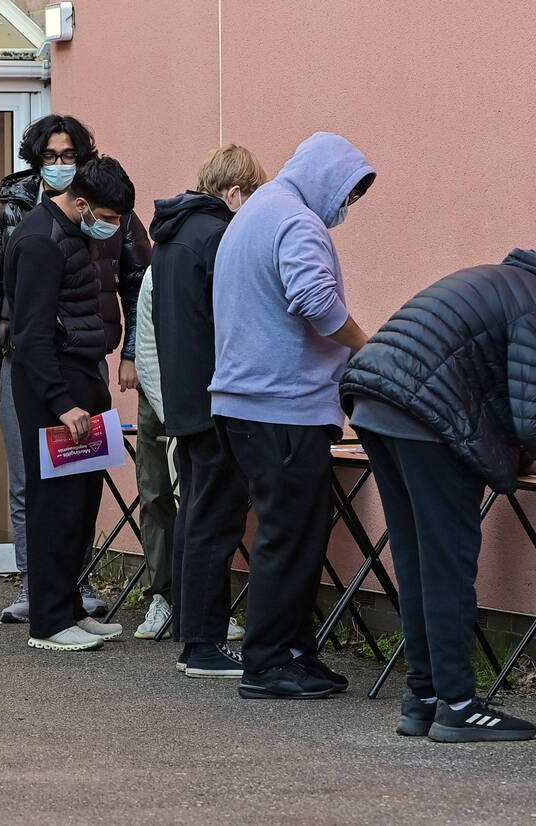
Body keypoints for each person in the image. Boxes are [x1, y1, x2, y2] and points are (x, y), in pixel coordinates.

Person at [339, 248, 536, 742]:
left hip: (376, 403)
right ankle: (458, 707)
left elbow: (492, 410)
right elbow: (534, 423)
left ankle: (423, 700)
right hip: (423, 417)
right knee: (448, 564)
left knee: (417, 559)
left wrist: (524, 456)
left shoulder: (512, 289)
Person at [210, 132, 375, 698]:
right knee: (289, 537)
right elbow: (315, 300)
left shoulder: (257, 210)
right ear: (326, 177)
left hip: (245, 405)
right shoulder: (296, 220)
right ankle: (270, 662)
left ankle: (296, 652)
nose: (346, 207)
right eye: (348, 192)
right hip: (283, 407)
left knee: (295, 535)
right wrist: (366, 346)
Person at [0, 114, 151, 622]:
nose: (59, 164)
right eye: (51, 157)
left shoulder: (104, 208)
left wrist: (131, 352)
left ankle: (69, 591)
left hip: (85, 359)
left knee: (78, 477)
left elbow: (136, 281)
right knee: (33, 479)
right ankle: (40, 592)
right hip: (35, 364)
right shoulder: (25, 221)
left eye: (68, 156)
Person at [6, 156, 137, 651]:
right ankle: (49, 621)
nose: (113, 229)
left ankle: (71, 608)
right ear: (82, 203)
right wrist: (62, 403)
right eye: (109, 217)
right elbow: (31, 334)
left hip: (84, 381)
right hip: (55, 391)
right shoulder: (41, 240)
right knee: (53, 505)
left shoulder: (74, 231)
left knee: (81, 503)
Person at [147, 145, 268, 672]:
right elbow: (236, 317)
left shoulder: (172, 236)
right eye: (253, 198)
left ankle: (190, 630)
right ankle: (204, 643)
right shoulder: (219, 235)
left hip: (185, 396)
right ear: (236, 192)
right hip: (220, 396)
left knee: (194, 516)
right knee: (215, 523)